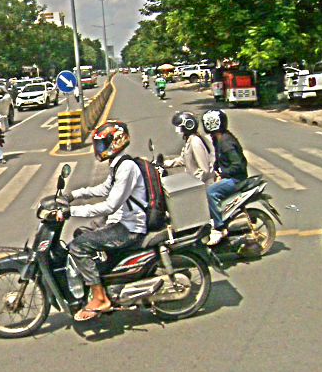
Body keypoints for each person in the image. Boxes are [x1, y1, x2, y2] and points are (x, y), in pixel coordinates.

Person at [63, 121, 146, 322]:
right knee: (82, 233)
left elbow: (110, 205)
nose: (98, 149)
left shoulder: (126, 167)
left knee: (78, 246)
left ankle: (100, 298)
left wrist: (71, 211)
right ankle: (102, 281)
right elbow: (104, 189)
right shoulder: (118, 164)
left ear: (115, 142)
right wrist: (73, 195)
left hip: (130, 227)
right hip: (123, 222)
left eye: (101, 145)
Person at [202, 109, 248, 246]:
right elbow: (219, 160)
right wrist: (217, 171)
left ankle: (219, 228)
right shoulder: (218, 139)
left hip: (237, 179)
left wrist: (223, 174)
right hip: (230, 177)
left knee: (211, 192)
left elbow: (238, 165)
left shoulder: (226, 142)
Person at [163, 111, 215, 184]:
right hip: (194, 182)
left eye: (180, 127)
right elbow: (183, 159)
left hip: (202, 185)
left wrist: (192, 182)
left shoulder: (195, 142)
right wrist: (164, 163)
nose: (178, 130)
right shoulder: (189, 140)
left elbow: (204, 170)